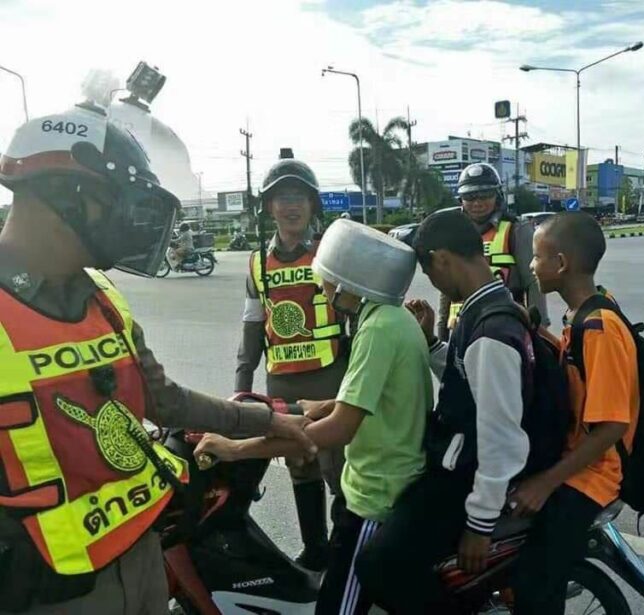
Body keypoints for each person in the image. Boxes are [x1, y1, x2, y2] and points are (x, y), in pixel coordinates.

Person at [0, 103, 315, 614]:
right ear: (66, 196)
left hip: (143, 557)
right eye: (116, 201)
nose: (132, 221)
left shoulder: (102, 297)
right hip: (48, 589)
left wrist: (267, 418)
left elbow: (161, 400)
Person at [196, 219, 432, 615]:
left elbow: (338, 429)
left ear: (347, 283)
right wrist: (298, 408)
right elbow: (356, 397)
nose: (321, 291)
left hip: (376, 495)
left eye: (325, 281)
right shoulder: (386, 318)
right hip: (376, 482)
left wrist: (236, 450)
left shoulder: (379, 330)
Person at [356, 209, 540, 614]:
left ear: (441, 258)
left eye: (429, 270)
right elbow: (471, 380)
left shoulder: (490, 332)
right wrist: (433, 345)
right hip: (456, 461)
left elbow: (501, 440)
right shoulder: (486, 308)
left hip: (463, 478)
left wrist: (479, 525)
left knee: (377, 564)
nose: (433, 283)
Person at [508, 211, 639, 614]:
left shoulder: (599, 327)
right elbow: (573, 364)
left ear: (560, 264)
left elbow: (612, 424)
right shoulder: (583, 314)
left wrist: (546, 483)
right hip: (577, 462)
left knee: (534, 578)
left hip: (593, 475)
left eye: (536, 257)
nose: (530, 266)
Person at [234, 158, 348, 571]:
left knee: (338, 469)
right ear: (269, 207)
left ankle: (345, 554)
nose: (291, 206)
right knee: (300, 464)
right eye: (282, 198)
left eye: (299, 196)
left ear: (313, 204)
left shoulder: (332, 253)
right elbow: (251, 330)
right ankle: (316, 550)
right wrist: (242, 389)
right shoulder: (256, 264)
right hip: (282, 382)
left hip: (331, 377)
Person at [437, 163, 546, 341]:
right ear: (461, 200)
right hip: (460, 330)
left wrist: (539, 333)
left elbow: (533, 283)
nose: (477, 202)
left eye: (485, 195)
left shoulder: (517, 230)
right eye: (470, 196)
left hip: (505, 330)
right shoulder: (453, 233)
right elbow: (446, 288)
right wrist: (442, 333)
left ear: (498, 195)